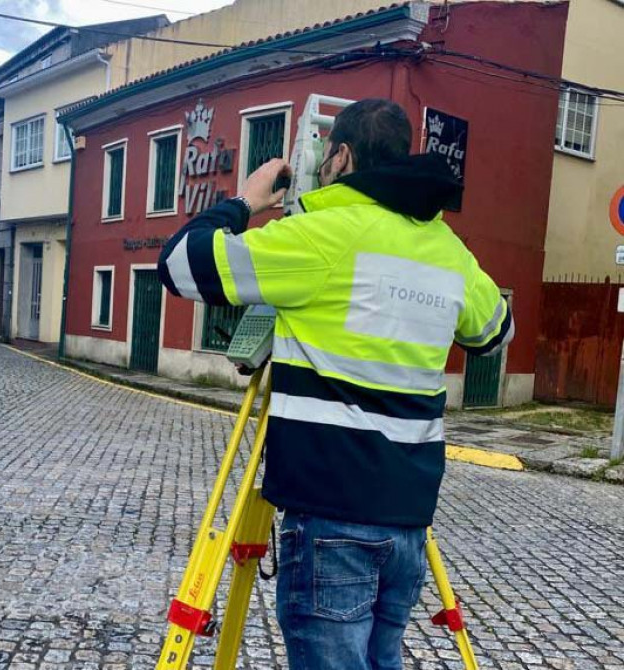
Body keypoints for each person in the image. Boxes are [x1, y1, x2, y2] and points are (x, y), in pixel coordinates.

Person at [157, 98, 513, 669]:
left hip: (331, 517)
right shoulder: (449, 250)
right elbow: (494, 332)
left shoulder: (323, 236)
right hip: (407, 526)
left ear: (342, 156)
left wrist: (245, 200)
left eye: (325, 158)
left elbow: (179, 264)